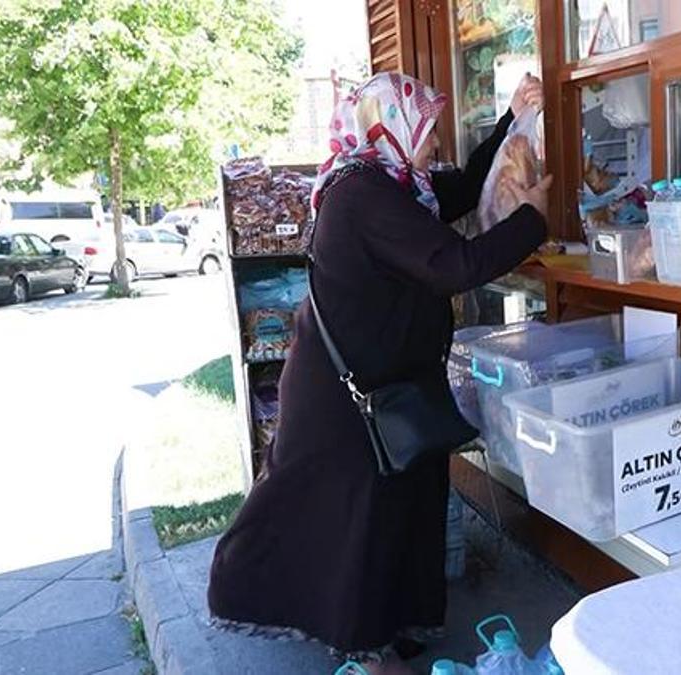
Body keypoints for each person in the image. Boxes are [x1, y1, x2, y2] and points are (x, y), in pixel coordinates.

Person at [207, 72, 550, 675]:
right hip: (343, 401)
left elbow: (462, 190)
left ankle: (393, 625)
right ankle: (364, 648)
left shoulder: (396, 184)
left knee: (401, 504)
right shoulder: (363, 195)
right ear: (386, 128)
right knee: (356, 515)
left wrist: (510, 120)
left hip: (386, 384)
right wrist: (532, 220)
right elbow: (457, 265)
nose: (435, 147)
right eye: (427, 133)